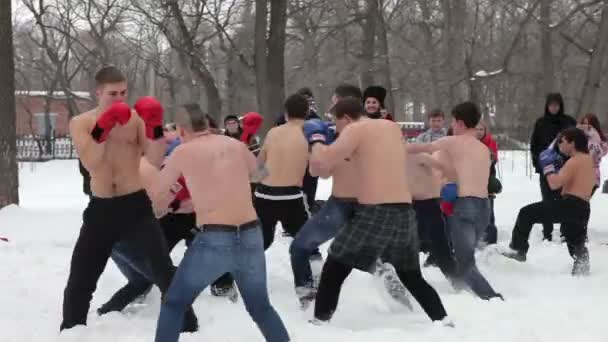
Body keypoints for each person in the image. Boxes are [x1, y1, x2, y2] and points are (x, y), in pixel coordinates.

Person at [61, 66, 198, 332]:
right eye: (113, 93)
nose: (120, 98)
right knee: (82, 275)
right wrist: (104, 126)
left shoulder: (135, 120)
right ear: (98, 92)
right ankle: (71, 330)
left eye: (124, 92)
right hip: (101, 207)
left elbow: (154, 158)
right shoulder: (81, 123)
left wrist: (155, 126)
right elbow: (92, 162)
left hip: (135, 206)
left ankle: (188, 327)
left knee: (162, 269)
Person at [303, 97, 450, 325]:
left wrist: (316, 138)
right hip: (404, 211)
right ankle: (443, 321)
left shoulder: (355, 130)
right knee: (411, 275)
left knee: (335, 265)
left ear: (347, 118)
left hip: (375, 211)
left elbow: (321, 163)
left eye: (338, 123)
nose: (338, 129)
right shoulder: (390, 127)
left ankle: (319, 323)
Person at [152, 103, 289, 342]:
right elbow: (260, 175)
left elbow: (157, 199)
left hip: (214, 238)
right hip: (250, 234)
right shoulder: (236, 144)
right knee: (260, 308)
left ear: (182, 131)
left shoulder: (182, 152)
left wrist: (173, 200)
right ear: (207, 124)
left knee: (174, 302)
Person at [289, 84, 411, 310]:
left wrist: (316, 142)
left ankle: (308, 298)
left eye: (334, 104)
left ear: (345, 110)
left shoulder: (344, 135)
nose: (331, 112)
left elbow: (318, 171)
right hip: (371, 202)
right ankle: (389, 282)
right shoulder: (384, 130)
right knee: (364, 254)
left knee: (300, 247)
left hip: (344, 202)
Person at [407, 102, 502, 301]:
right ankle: (467, 291)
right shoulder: (484, 149)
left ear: (458, 122)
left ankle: (490, 297)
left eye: (452, 121)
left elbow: (421, 147)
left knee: (466, 262)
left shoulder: (451, 141)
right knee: (467, 258)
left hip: (464, 206)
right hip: (484, 207)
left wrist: (397, 146)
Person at [503, 127, 594, 276]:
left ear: (572, 143)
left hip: (570, 204)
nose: (559, 145)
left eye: (562, 141)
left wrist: (548, 167)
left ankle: (518, 250)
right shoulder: (587, 159)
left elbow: (554, 184)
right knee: (574, 237)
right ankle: (582, 268)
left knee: (526, 213)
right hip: (583, 207)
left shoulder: (574, 161)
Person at [255, 94, 311, 249]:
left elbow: (259, 163)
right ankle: (312, 270)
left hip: (264, 194)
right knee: (306, 244)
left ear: (286, 113)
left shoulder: (274, 132)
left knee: (260, 243)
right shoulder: (309, 133)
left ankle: (241, 272)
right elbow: (315, 168)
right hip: (291, 195)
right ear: (307, 112)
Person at [530, 93, 577, 241]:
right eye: (551, 105)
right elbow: (534, 145)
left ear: (561, 105)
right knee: (547, 200)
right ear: (547, 106)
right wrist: (538, 162)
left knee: (566, 199)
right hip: (547, 167)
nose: (554, 108)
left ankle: (566, 231)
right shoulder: (541, 123)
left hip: (566, 167)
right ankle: (547, 232)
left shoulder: (569, 122)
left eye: (556, 105)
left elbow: (577, 143)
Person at [406, 152, 457, 279]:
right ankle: (410, 278)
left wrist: (441, 182)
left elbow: (444, 167)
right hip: (407, 206)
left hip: (429, 204)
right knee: (407, 245)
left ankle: (455, 278)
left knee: (439, 243)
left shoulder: (419, 156)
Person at [475, 121, 501, 245]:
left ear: (485, 131)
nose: (479, 132)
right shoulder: (469, 143)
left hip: (488, 177)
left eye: (481, 129)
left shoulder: (491, 142)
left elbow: (493, 159)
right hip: (473, 178)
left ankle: (491, 237)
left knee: (488, 207)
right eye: (477, 129)